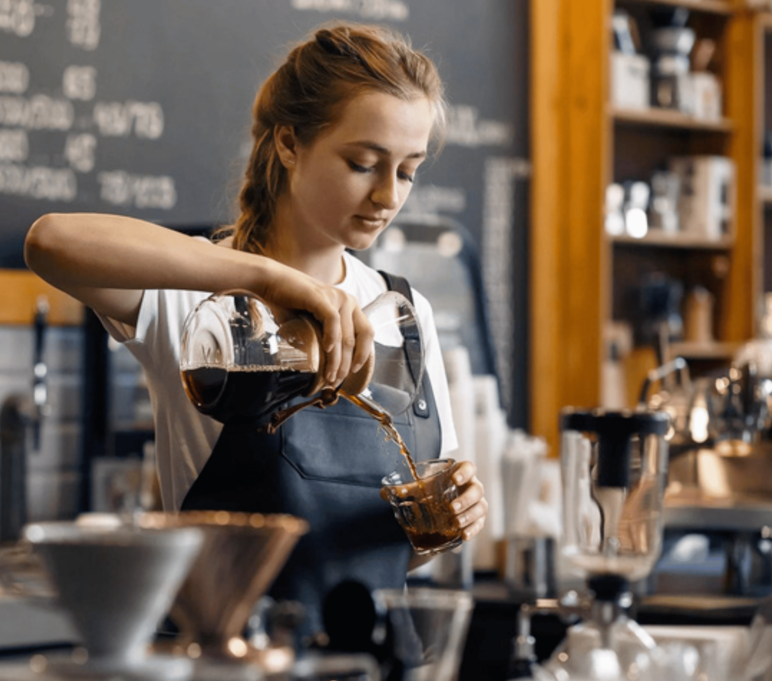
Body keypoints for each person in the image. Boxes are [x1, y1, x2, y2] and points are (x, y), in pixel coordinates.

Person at [25, 21, 488, 642]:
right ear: (290, 144)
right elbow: (51, 242)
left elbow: (405, 544)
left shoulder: (402, 311)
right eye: (363, 163)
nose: (387, 195)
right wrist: (266, 279)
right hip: (230, 657)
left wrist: (448, 519)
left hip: (370, 657)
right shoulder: (202, 301)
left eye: (407, 171)